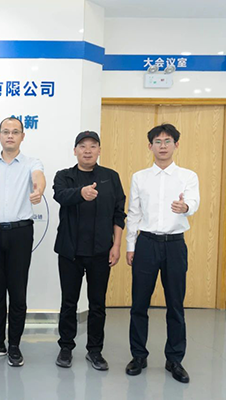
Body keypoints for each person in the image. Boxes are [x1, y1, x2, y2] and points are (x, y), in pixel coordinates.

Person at [125, 123, 199, 383]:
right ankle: (138, 356)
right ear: (150, 146)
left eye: (168, 141)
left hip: (175, 245)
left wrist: (185, 207)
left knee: (175, 304)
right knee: (139, 304)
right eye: (158, 141)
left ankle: (175, 359)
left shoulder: (188, 176)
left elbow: (194, 201)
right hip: (146, 243)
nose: (163, 146)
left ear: (176, 145)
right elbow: (133, 213)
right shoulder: (140, 177)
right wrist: (131, 246)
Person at [0, 117, 46, 367]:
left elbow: (39, 178)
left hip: (20, 234)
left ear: (22, 136)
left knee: (17, 292)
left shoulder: (32, 163)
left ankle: (14, 345)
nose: (10, 136)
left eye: (15, 132)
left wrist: (38, 190)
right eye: (6, 131)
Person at [52, 131, 126, 370]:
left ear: (99, 150)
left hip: (101, 251)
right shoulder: (64, 176)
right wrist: (81, 193)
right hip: (70, 251)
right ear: (75, 151)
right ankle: (66, 347)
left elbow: (119, 213)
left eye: (93, 146)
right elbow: (60, 195)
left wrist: (116, 245)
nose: (87, 150)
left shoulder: (110, 177)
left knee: (97, 304)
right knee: (69, 302)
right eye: (82, 146)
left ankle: (95, 350)